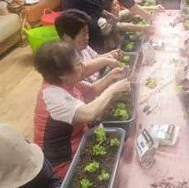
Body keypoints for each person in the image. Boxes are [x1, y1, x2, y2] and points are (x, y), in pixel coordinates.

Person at [34, 40, 130, 180]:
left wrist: (111, 76)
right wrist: (113, 89)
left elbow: (91, 91)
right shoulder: (53, 96)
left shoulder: (65, 81)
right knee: (119, 168)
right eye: (78, 64)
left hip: (81, 140)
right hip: (62, 164)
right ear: (62, 74)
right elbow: (89, 114)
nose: (83, 66)